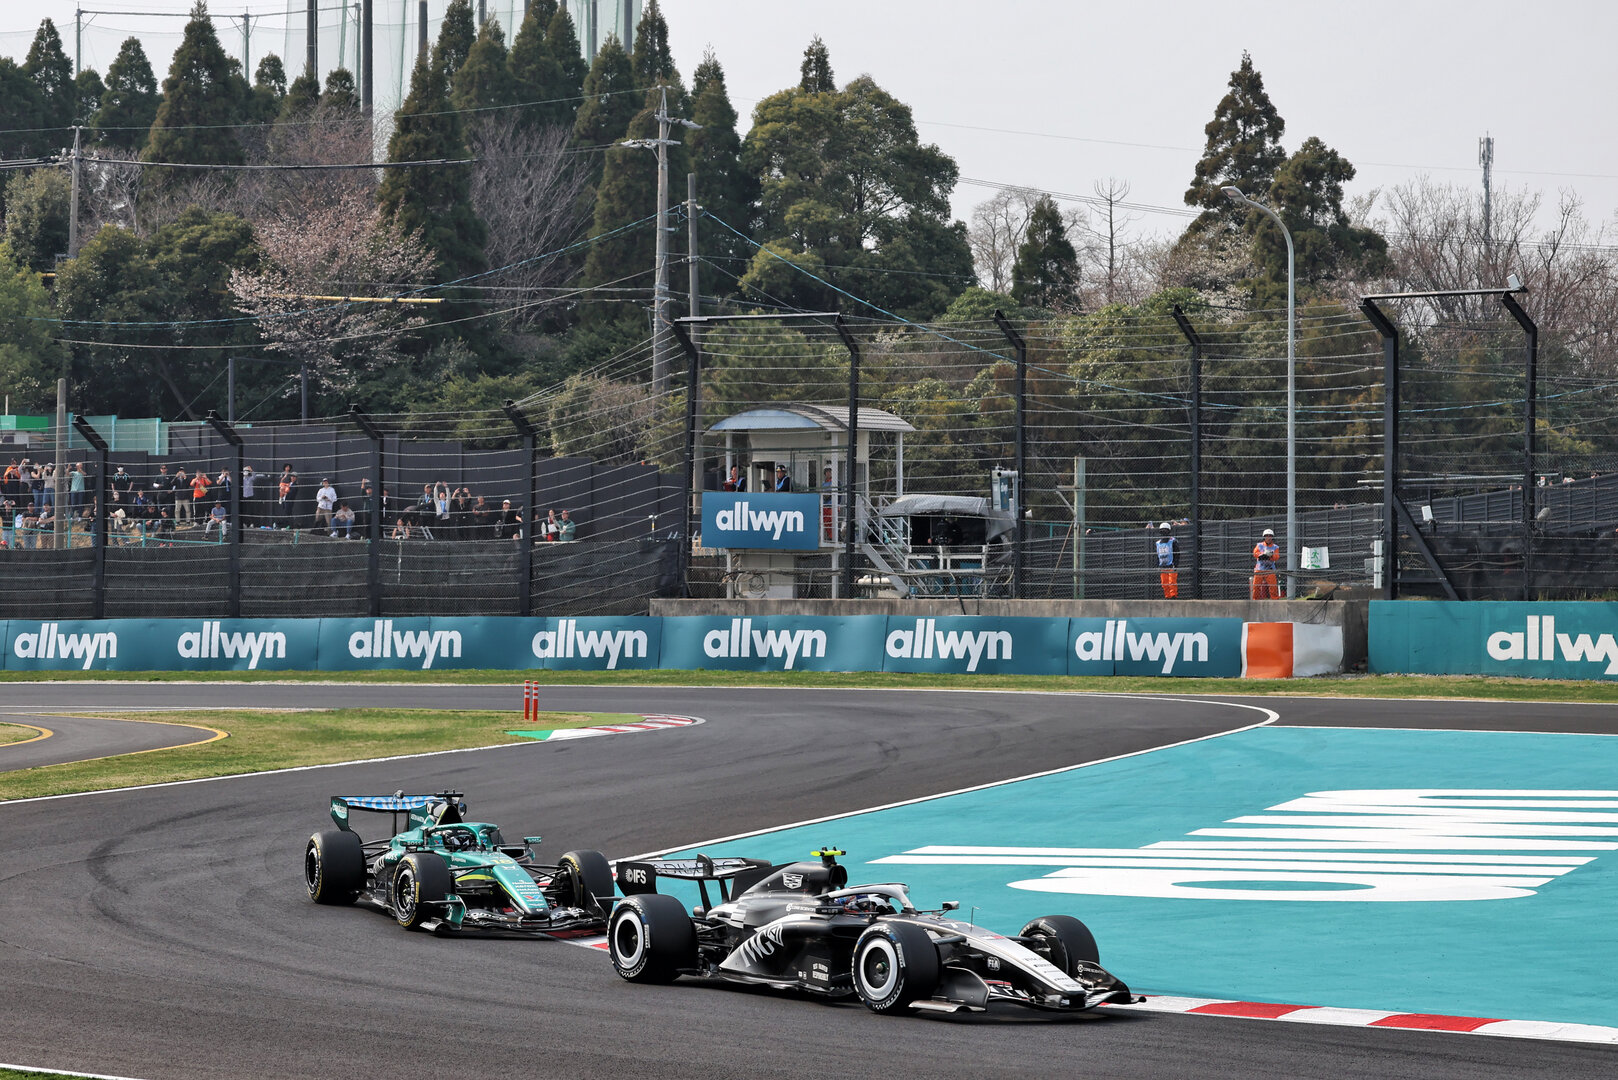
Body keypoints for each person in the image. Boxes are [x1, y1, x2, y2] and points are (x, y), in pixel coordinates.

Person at [1252, 527, 1280, 600]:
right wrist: (1262, 555)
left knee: (1273, 586)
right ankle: (1256, 600)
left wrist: (1270, 556)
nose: (1268, 538)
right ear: (1264, 537)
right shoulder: (1259, 545)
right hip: (1259, 569)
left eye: (1270, 536)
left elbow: (1276, 557)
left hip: (1270, 569)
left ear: (1272, 537)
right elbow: (1255, 553)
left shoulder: (1275, 547)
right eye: (1267, 536)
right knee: (1256, 586)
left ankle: (1275, 599)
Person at [1155, 522, 1180, 599]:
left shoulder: (1173, 541)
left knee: (1172, 582)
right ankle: (1167, 596)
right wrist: (1157, 565)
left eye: (1165, 530)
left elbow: (1177, 553)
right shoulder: (1158, 543)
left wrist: (1175, 564)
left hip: (1171, 565)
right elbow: (1157, 555)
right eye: (1162, 530)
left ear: (1169, 531)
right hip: (1163, 566)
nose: (1164, 532)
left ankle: (1173, 596)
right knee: (1164, 583)